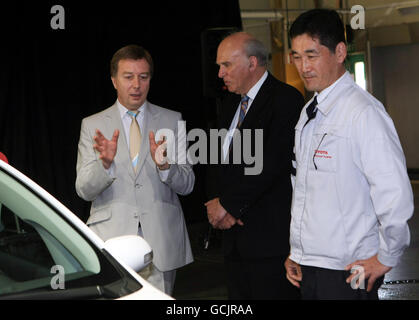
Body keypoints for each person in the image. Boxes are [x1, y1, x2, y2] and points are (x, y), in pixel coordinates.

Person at [284, 9, 414, 300]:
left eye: (312, 55)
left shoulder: (363, 113)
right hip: (311, 265)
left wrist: (386, 255)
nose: (303, 66)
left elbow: (394, 192)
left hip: (350, 268)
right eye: (296, 56)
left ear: (340, 52)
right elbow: (304, 189)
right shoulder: (308, 113)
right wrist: (297, 250)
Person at [75, 44, 195, 296]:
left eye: (143, 77)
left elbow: (188, 184)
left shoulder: (172, 120)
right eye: (128, 77)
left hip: (161, 240)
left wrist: (165, 166)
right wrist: (104, 165)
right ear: (114, 80)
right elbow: (83, 190)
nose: (136, 85)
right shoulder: (93, 124)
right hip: (112, 239)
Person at [205, 32, 304, 299]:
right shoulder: (230, 105)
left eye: (226, 65)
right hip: (234, 243)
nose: (220, 73)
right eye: (219, 66)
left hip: (270, 244)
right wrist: (217, 201)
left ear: (252, 63)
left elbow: (271, 164)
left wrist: (228, 204)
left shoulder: (286, 100)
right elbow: (216, 158)